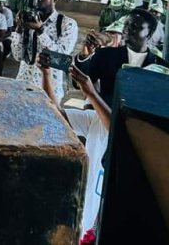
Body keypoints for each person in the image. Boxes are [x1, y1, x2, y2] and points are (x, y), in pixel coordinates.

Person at [39, 58, 111, 240]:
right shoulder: (95, 119)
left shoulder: (128, 128)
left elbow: (118, 131)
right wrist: (47, 75)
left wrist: (92, 94)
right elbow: (54, 115)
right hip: (84, 217)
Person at [76, 9, 169, 105]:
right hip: (107, 117)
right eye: (126, 24)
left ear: (149, 34)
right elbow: (81, 83)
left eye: (135, 26)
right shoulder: (105, 55)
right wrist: (85, 55)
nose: (127, 28)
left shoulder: (163, 68)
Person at [10, 0, 78, 100]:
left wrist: (40, 31)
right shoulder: (28, 20)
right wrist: (19, 29)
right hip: (23, 85)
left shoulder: (67, 24)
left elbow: (61, 56)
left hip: (49, 90)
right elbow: (17, 56)